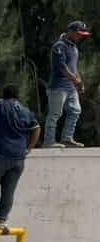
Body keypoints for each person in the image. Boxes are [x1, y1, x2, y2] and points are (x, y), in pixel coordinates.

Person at [0, 77, 41, 230]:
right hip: (18, 158)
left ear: (4, 95)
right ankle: (2, 220)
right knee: (9, 190)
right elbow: (37, 129)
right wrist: (29, 148)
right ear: (17, 96)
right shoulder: (25, 111)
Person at [44, 20, 90, 148]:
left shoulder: (74, 48)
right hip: (58, 87)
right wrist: (75, 80)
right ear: (70, 32)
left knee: (75, 111)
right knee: (54, 114)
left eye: (82, 35)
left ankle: (67, 138)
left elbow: (74, 68)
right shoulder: (59, 46)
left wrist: (79, 82)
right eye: (78, 34)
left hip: (71, 87)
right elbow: (61, 67)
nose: (80, 36)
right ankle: (49, 141)